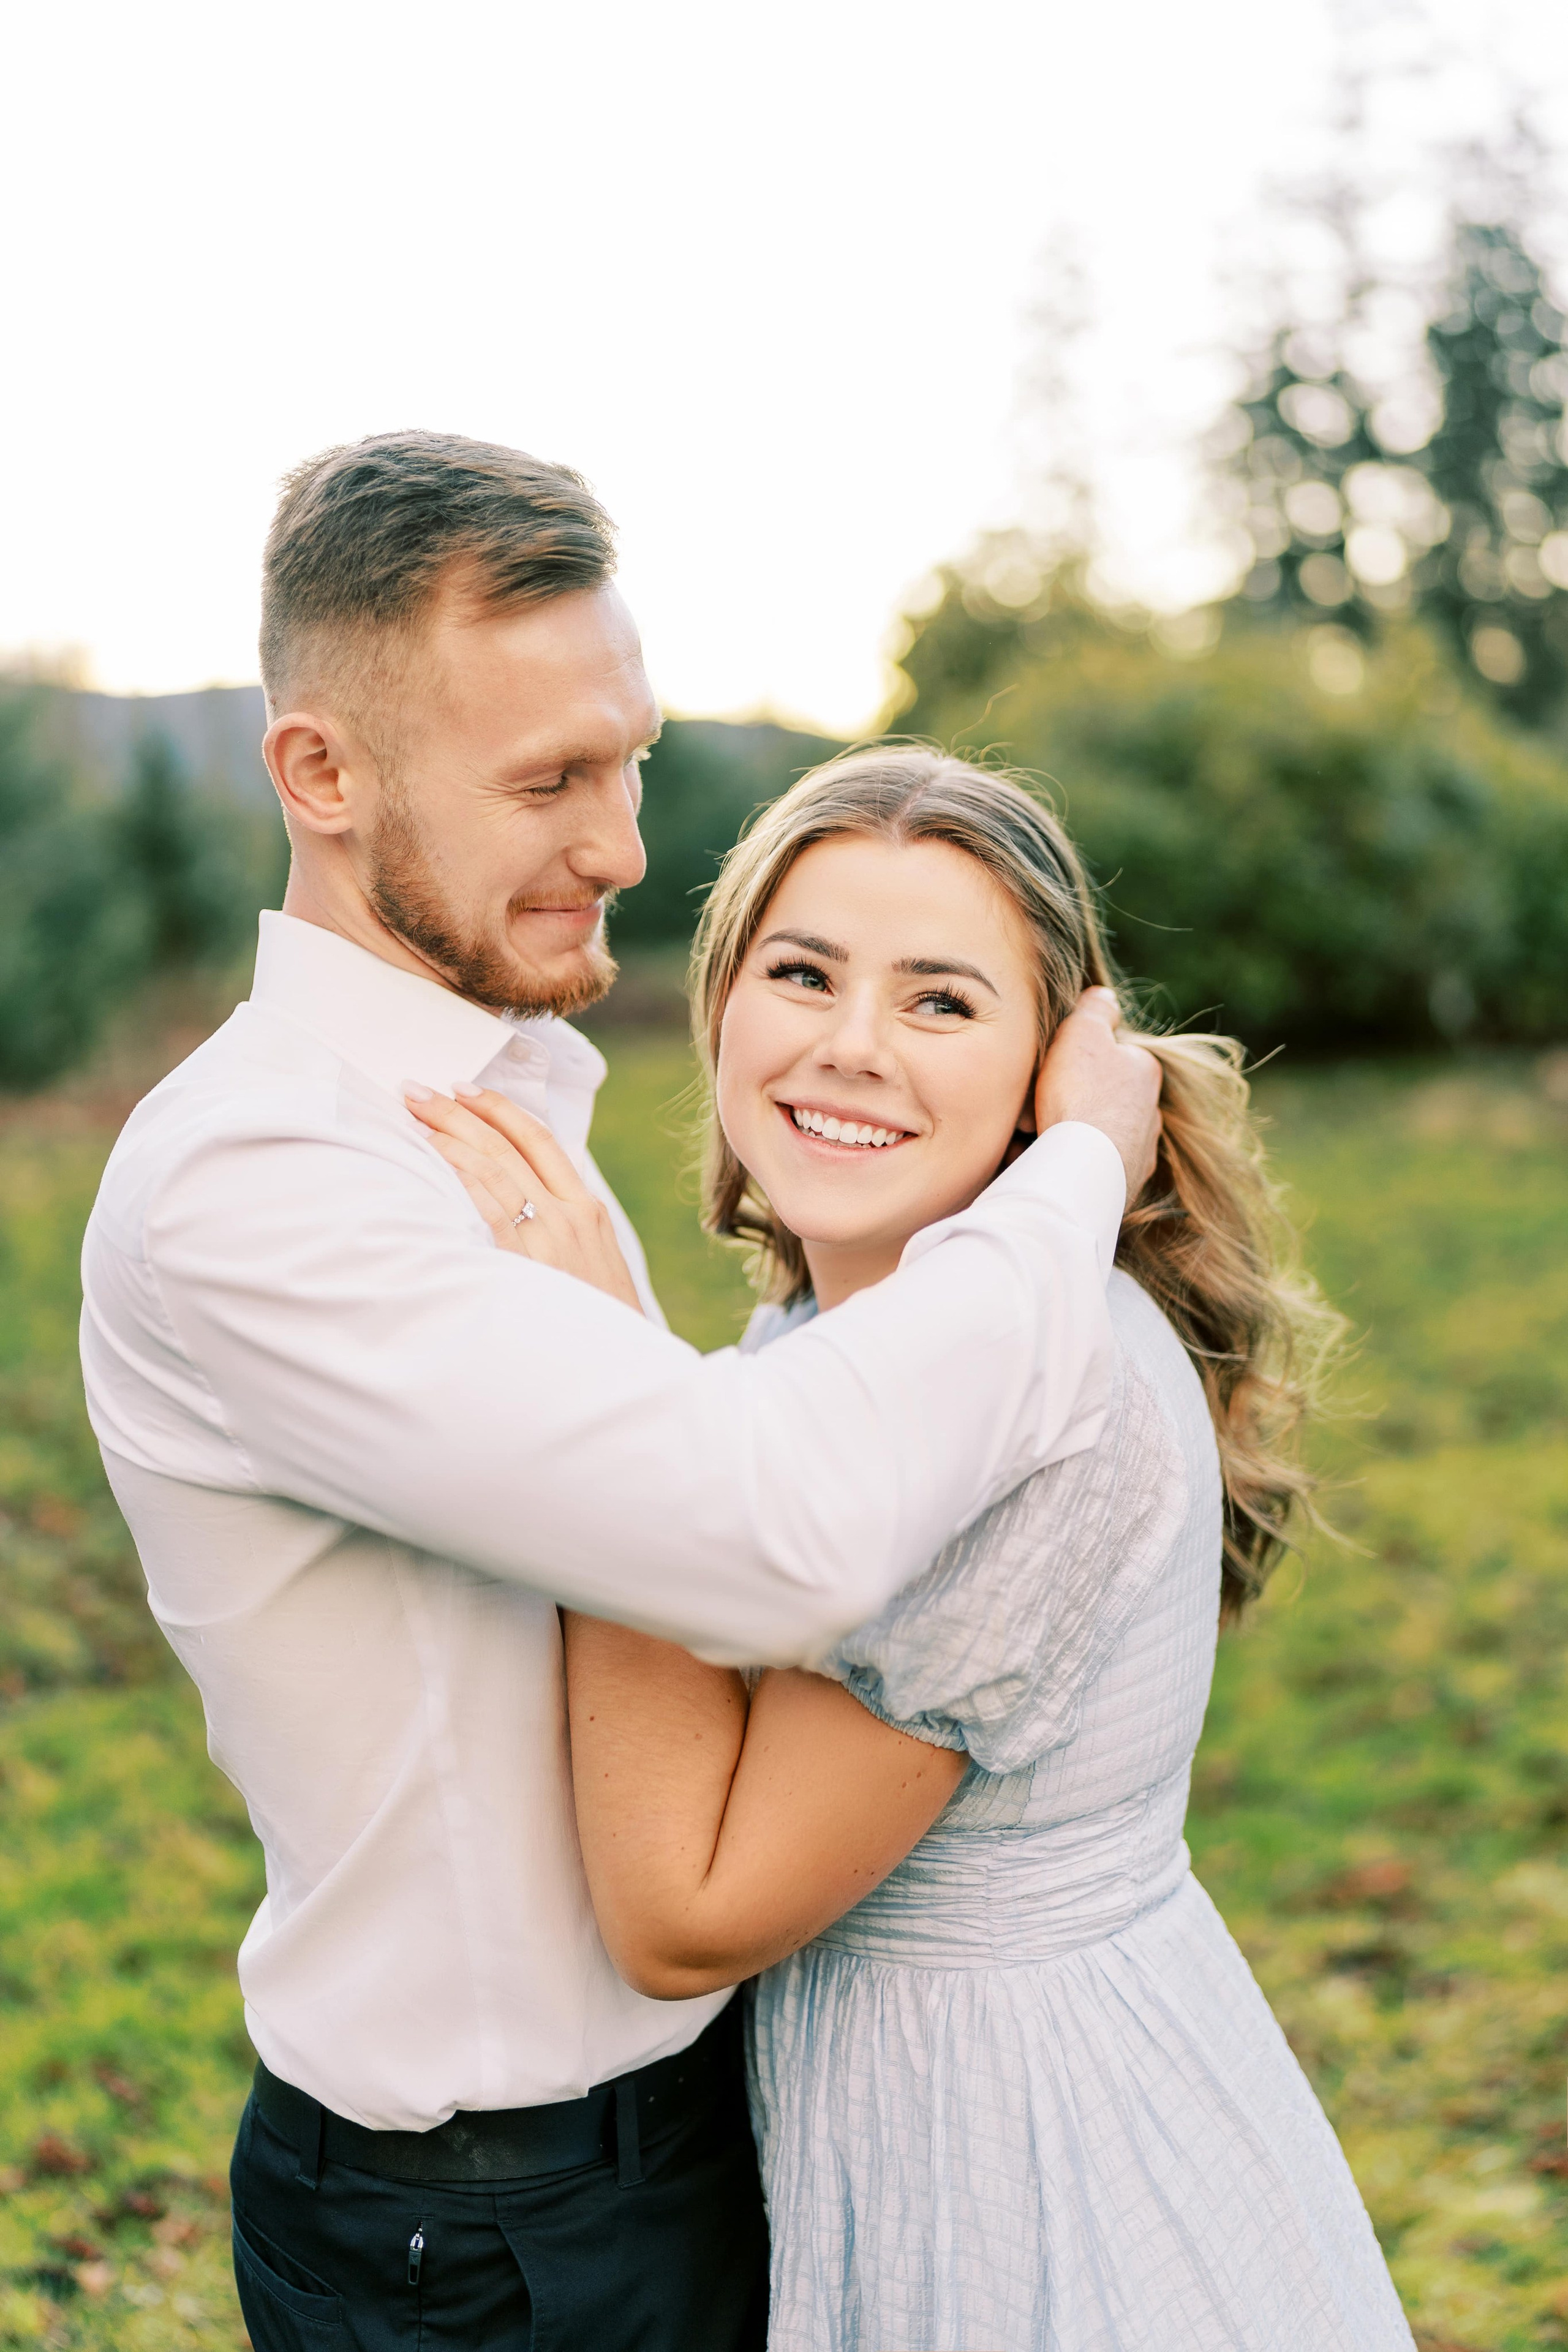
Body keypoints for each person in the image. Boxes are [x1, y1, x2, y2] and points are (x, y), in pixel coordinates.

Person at [78, 433, 1161, 2351]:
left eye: (632, 758)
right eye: (550, 782)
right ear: (321, 776)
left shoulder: (507, 1109)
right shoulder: (263, 1185)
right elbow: (760, 1542)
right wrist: (1075, 1173)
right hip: (486, 2229)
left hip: (687, 2129)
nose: (629, 847)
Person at [429, 749, 1415, 2350]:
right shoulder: (861, 1310)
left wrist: (598, 1401)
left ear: (1055, 1066)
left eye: (942, 1001)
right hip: (907, 2115)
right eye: (802, 972)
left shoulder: (1052, 1401)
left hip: (1042, 2183)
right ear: (722, 1001)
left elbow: (693, 1906)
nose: (850, 1046)